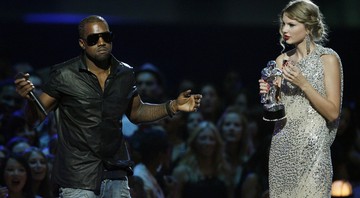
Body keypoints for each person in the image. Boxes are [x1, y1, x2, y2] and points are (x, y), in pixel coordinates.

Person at [14, 15, 202, 198]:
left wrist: (173, 106)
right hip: (78, 178)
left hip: (116, 174)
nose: (101, 42)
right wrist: (29, 100)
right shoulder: (64, 75)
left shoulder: (125, 73)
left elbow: (137, 112)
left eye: (106, 36)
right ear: (82, 43)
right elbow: (35, 118)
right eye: (94, 39)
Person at [258, 0, 343, 197]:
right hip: (283, 147)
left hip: (313, 149)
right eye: (283, 24)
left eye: (292, 24)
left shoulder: (327, 59)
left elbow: (332, 113)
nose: (284, 30)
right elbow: (276, 114)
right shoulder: (281, 60)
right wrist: (269, 94)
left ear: (309, 26)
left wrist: (303, 83)